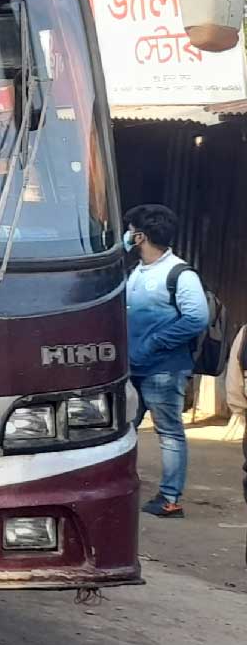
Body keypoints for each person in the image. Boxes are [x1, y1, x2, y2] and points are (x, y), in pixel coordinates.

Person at [124, 203, 207, 519]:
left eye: (130, 231)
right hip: (133, 368)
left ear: (140, 236)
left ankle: (170, 498)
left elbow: (197, 317)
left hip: (164, 370)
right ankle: (122, 487)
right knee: (123, 430)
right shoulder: (137, 271)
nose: (127, 236)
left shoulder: (179, 274)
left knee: (169, 433)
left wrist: (155, 344)